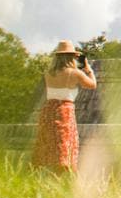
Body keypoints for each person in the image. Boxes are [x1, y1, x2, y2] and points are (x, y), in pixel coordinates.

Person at [32, 40, 97, 174]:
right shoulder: (75, 73)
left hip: (48, 110)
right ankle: (63, 178)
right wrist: (88, 69)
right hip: (64, 111)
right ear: (71, 56)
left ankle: (44, 177)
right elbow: (92, 85)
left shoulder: (48, 73)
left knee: (47, 145)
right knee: (64, 146)